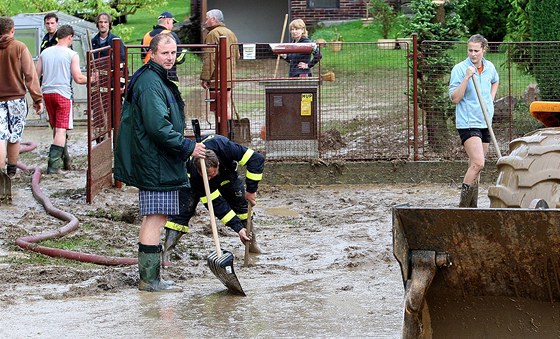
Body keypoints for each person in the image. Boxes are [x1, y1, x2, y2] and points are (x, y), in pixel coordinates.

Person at [114, 33, 206, 292]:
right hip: (155, 161)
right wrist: (188, 146)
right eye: (165, 53)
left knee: (155, 216)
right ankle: (150, 280)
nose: (170, 58)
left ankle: (150, 278)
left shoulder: (153, 78)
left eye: (173, 53)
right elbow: (157, 128)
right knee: (155, 217)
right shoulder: (151, 83)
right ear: (152, 54)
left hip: (156, 159)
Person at [163, 134, 265, 265]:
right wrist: (237, 228)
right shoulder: (196, 175)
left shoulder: (225, 147)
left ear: (217, 164)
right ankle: (166, 254)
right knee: (181, 214)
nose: (209, 178)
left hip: (227, 173)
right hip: (193, 183)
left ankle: (251, 246)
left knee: (242, 207)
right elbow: (217, 205)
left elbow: (256, 159)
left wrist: (251, 190)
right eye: (206, 175)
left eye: (211, 174)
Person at [449, 34, 499, 207]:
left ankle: (473, 206)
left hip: (485, 120)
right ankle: (463, 207)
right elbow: (455, 98)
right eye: (470, 50)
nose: (473, 54)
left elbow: (495, 81)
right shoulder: (460, 69)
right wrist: (466, 78)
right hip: (468, 122)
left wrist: (490, 99)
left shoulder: (489, 67)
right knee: (478, 163)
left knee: (476, 167)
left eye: (476, 50)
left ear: (483, 50)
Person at [36, 25, 87, 174]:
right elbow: (78, 78)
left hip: (47, 93)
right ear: (70, 37)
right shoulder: (72, 54)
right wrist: (91, 79)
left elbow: (35, 74)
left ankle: (64, 160)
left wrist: (36, 96)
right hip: (63, 93)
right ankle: (53, 166)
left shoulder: (45, 52)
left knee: (56, 128)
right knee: (60, 129)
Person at [0, 17, 43, 178]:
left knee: (0, 137)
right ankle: (11, 173)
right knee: (14, 136)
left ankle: (0, 174)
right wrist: (37, 99)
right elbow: (30, 75)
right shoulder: (19, 47)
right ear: (12, 30)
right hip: (16, 99)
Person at [200, 9, 240, 121]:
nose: (205, 21)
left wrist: (205, 78)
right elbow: (237, 55)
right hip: (229, 77)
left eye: (207, 18)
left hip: (216, 78)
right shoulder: (230, 33)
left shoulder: (213, 34)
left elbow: (209, 58)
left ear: (213, 19)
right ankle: (228, 132)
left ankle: (221, 133)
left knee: (218, 108)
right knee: (226, 106)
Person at [141, 11, 186, 83]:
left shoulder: (146, 36)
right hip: (169, 75)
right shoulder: (171, 35)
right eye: (172, 23)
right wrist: (184, 52)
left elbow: (143, 58)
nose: (173, 26)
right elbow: (179, 58)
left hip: (149, 73)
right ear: (168, 21)